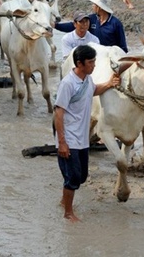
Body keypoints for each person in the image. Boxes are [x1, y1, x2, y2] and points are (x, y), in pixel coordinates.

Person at [54, 45, 120, 222]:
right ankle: (68, 213)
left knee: (81, 176)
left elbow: (93, 91)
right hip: (69, 138)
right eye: (91, 62)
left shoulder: (86, 80)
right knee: (73, 178)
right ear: (79, 63)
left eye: (94, 61)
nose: (94, 65)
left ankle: (63, 200)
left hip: (82, 138)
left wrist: (108, 84)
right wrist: (62, 142)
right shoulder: (68, 84)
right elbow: (58, 113)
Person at [54, 0, 127, 52]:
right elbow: (73, 26)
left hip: (108, 56)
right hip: (94, 54)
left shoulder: (116, 24)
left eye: (94, 5)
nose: (92, 6)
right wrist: (55, 25)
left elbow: (123, 47)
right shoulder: (92, 18)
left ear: (100, 7)